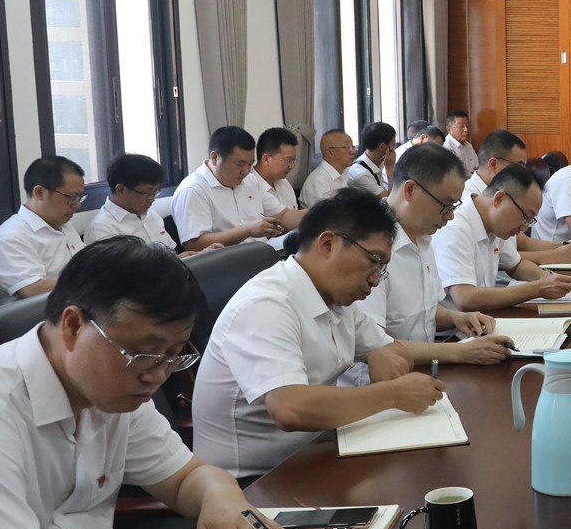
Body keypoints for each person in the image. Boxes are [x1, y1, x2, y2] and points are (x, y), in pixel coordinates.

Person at [0, 238, 313, 529]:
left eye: (174, 355)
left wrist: (223, 500)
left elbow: (187, 476)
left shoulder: (111, 389)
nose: (158, 376)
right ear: (73, 326)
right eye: (142, 353)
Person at [191, 188, 446, 479]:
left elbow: (392, 349)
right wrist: (392, 394)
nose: (375, 280)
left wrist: (380, 353)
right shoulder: (266, 305)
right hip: (253, 481)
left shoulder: (337, 299)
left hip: (314, 455)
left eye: (382, 268)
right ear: (328, 244)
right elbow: (290, 408)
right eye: (373, 260)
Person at [355, 144, 511, 363]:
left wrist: (457, 318)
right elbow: (373, 344)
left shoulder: (423, 235)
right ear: (410, 190)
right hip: (381, 378)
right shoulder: (367, 246)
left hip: (423, 367)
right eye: (445, 205)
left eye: (454, 206)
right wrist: (459, 352)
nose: (450, 216)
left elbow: (423, 310)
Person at [433, 164, 571, 311]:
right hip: (457, 326)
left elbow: (516, 265)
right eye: (525, 216)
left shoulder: (494, 225)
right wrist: (537, 288)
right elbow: (465, 298)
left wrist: (549, 279)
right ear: (499, 199)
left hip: (486, 318)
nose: (524, 227)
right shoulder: (456, 229)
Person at [462, 130, 571, 266]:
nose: (523, 173)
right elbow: (502, 259)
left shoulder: (506, 194)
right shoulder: (467, 200)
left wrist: (565, 245)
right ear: (493, 165)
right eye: (519, 166)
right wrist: (555, 255)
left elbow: (522, 243)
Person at [0, 157, 85, 301]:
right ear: (40, 193)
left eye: (80, 197)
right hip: (43, 313)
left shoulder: (63, 224)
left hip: (81, 304)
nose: (77, 205)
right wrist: (91, 280)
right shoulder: (10, 237)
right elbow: (33, 290)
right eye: (71, 197)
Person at [172, 126, 285, 253]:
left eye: (250, 164)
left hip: (262, 252)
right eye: (240, 164)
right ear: (215, 158)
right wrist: (247, 230)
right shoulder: (192, 189)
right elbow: (194, 245)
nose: (246, 171)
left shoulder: (250, 180)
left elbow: (283, 215)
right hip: (227, 261)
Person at [84, 154, 175, 250]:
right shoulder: (101, 229)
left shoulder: (151, 214)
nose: (152, 199)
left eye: (155, 192)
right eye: (147, 193)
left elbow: (170, 251)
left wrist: (181, 257)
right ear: (121, 190)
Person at [243, 127, 306, 246]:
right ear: (266, 159)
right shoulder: (248, 185)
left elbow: (288, 217)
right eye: (288, 160)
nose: (291, 166)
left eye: (294, 160)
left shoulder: (284, 183)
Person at [298, 129, 354, 208]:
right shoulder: (318, 182)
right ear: (330, 153)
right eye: (346, 147)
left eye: (352, 147)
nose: (352, 152)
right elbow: (326, 214)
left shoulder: (344, 173)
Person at [344, 121, 396, 196]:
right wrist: (390, 169)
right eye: (393, 145)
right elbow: (391, 200)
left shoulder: (378, 162)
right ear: (382, 147)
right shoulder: (362, 174)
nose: (394, 150)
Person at [442, 110, 477, 175]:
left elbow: (476, 166)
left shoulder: (468, 146)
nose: (466, 130)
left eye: (468, 126)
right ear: (449, 129)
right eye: (461, 126)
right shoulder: (445, 148)